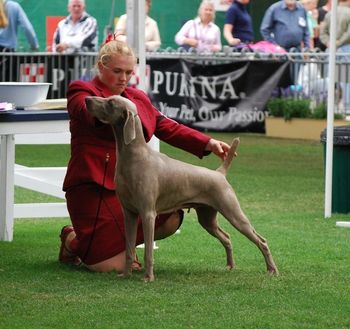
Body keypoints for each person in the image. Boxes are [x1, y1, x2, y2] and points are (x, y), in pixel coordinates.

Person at [59, 38, 231, 273]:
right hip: (94, 188)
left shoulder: (137, 98)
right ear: (101, 66)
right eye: (117, 71)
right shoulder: (83, 91)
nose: (123, 78)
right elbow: (85, 112)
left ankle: (121, 250)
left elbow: (167, 126)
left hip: (135, 186)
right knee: (109, 267)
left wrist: (208, 143)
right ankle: (72, 239)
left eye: (129, 72)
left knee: (170, 218)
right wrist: (107, 110)